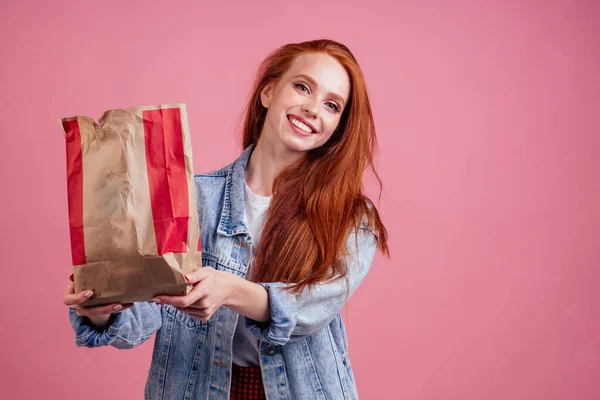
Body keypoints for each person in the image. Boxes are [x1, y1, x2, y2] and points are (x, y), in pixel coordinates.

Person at [63, 38, 389, 400]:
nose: (313, 108)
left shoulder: (352, 218)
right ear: (268, 92)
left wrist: (229, 290)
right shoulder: (194, 197)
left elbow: (310, 308)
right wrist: (101, 311)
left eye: (331, 105)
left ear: (338, 128)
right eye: (302, 87)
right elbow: (146, 315)